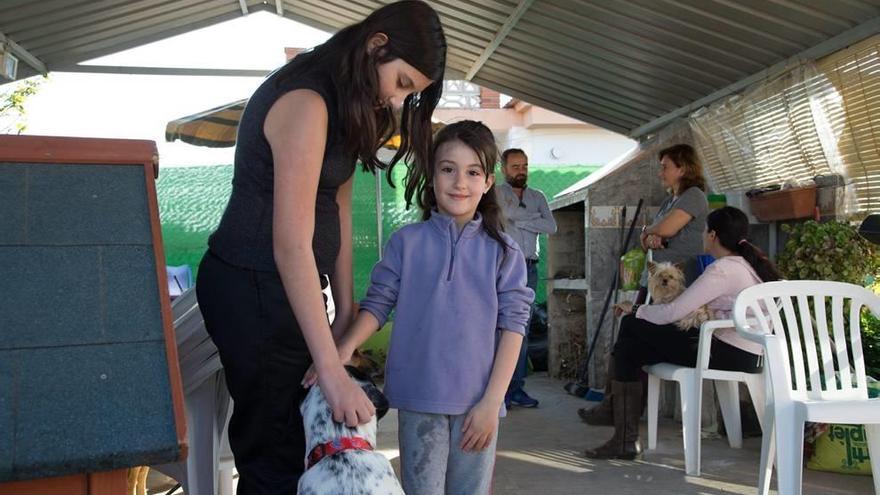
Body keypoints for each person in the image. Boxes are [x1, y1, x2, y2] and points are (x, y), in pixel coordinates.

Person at [194, 2, 446, 492]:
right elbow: (290, 244)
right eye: (402, 84)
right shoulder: (307, 101)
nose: (398, 102)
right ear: (377, 46)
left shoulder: (350, 101)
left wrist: (346, 308)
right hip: (253, 287)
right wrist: (331, 372)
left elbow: (339, 205)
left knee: (292, 444)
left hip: (286, 286)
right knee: (276, 451)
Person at [315, 120, 533, 494]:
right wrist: (340, 353)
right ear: (431, 176)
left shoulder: (504, 252)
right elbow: (378, 304)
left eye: (472, 172)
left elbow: (514, 328)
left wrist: (493, 402)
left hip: (477, 407)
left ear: (487, 182)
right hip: (418, 400)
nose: (459, 182)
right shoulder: (406, 243)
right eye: (448, 169)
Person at [582, 206, 782, 460]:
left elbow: (673, 311)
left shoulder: (722, 270)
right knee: (630, 348)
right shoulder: (746, 266)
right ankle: (619, 429)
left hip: (726, 352)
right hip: (744, 352)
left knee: (632, 325)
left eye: (704, 229)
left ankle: (618, 425)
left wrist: (636, 309)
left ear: (712, 235)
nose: (702, 234)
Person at [580, 143, 708, 425]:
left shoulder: (694, 196)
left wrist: (654, 233)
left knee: (634, 331)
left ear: (683, 168)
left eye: (666, 166)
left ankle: (620, 408)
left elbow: (663, 230)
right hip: (655, 280)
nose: (661, 171)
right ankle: (615, 405)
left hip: (676, 284)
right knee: (628, 332)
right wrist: (650, 235)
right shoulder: (669, 201)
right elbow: (647, 236)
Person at [496, 148, 557, 408]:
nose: (521, 171)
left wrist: (520, 221)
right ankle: (498, 392)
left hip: (529, 268)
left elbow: (551, 227)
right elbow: (503, 218)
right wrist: (532, 219)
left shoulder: (538, 196)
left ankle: (516, 389)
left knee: (521, 329)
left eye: (524, 166)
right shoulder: (496, 194)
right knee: (499, 326)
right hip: (502, 266)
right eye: (515, 166)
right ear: (504, 169)